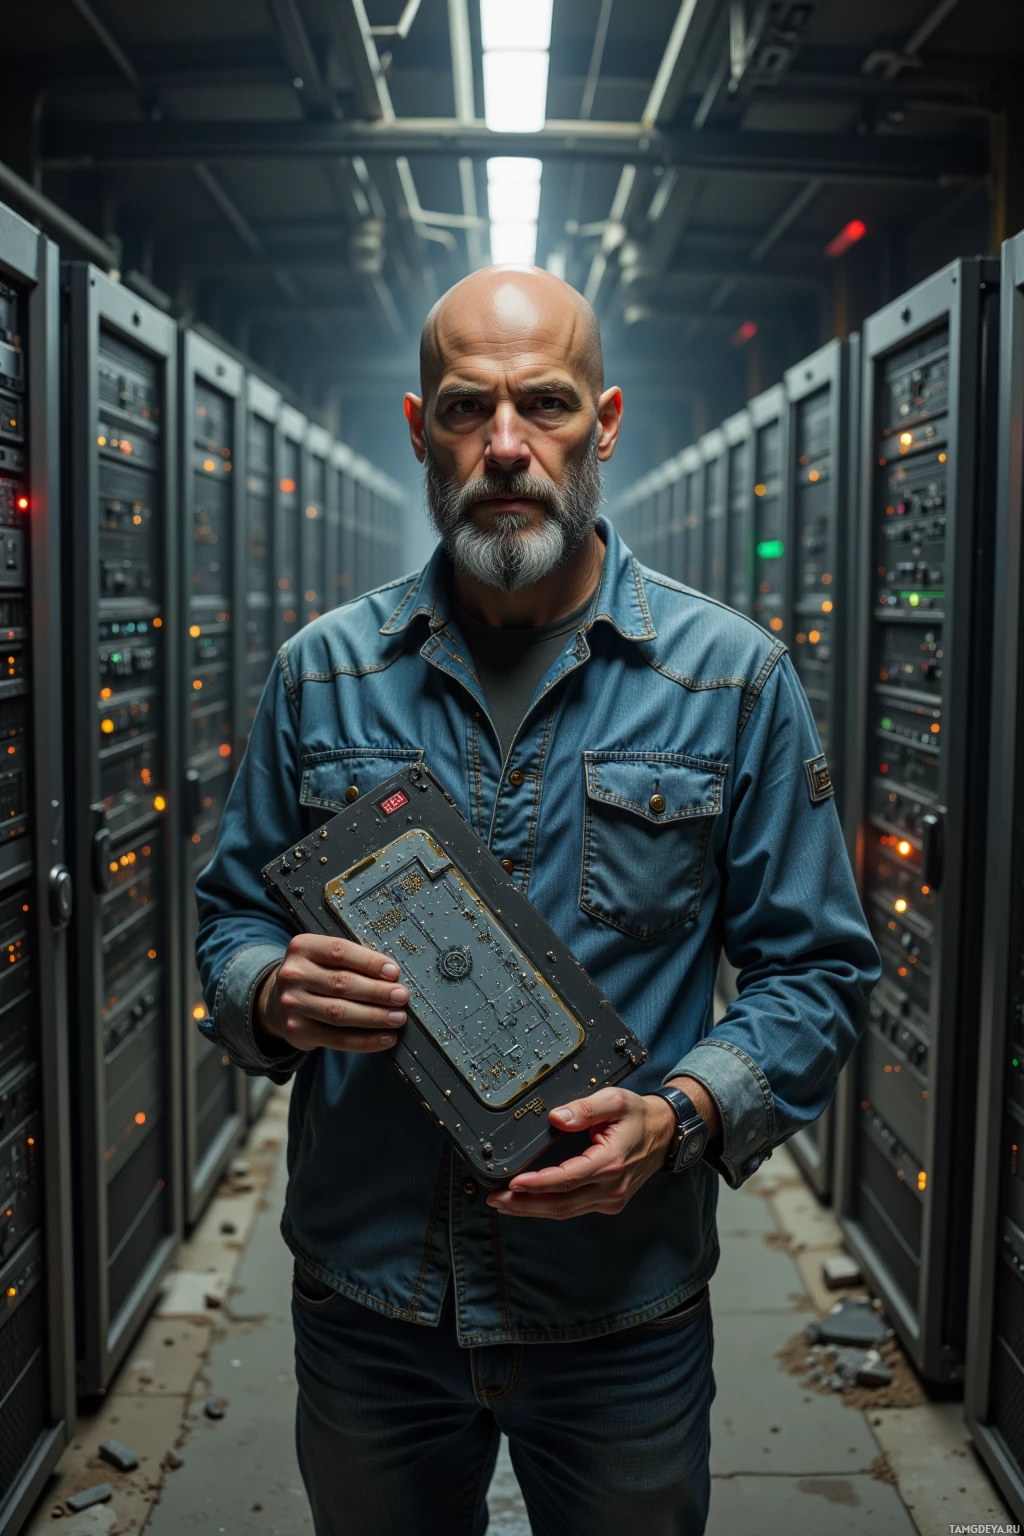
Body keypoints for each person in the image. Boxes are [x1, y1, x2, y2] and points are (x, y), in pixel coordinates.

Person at [195, 265, 879, 1536]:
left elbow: (820, 974)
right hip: (371, 1307)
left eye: (545, 405)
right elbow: (229, 921)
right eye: (466, 410)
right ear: (418, 430)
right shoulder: (321, 674)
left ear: (604, 423)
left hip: (619, 1311)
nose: (505, 446)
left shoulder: (729, 682)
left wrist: (679, 1116)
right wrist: (269, 993)